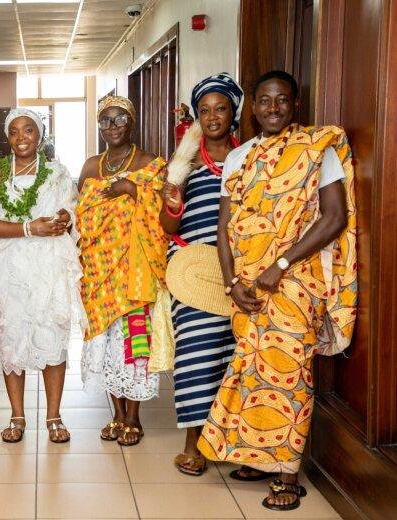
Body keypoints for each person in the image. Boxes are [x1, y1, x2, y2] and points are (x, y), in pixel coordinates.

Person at [197, 70, 357, 511]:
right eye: (264, 101)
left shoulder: (315, 151)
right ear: (252, 107)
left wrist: (280, 265)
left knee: (289, 376)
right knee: (250, 371)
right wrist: (232, 283)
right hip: (247, 284)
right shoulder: (239, 157)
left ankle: (287, 474)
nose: (272, 108)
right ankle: (257, 458)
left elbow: (333, 218)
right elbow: (224, 226)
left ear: (295, 106)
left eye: (282, 100)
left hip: (295, 283)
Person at [0, 108, 87, 443]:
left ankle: (54, 416)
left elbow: (74, 205)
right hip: (8, 264)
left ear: (40, 135)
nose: (21, 138)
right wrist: (29, 227)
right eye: (14, 131)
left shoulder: (57, 171)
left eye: (28, 130)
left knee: (53, 334)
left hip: (50, 261)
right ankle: (17, 416)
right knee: (13, 337)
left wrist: (66, 217)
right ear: (7, 137)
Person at [77, 95, 173, 446]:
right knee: (104, 344)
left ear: (132, 123)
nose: (112, 127)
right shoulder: (90, 166)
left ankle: (134, 416)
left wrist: (132, 190)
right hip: (98, 270)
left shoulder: (151, 164)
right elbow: (81, 217)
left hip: (136, 269)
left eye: (119, 120)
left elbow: (165, 215)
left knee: (134, 342)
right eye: (105, 121)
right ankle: (116, 414)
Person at [160, 73, 243, 476]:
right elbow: (168, 227)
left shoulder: (249, 156)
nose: (213, 117)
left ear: (233, 112)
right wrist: (172, 203)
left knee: (235, 358)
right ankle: (193, 442)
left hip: (241, 273)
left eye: (220, 108)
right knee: (195, 356)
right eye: (205, 111)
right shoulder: (184, 161)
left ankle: (234, 443)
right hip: (193, 271)